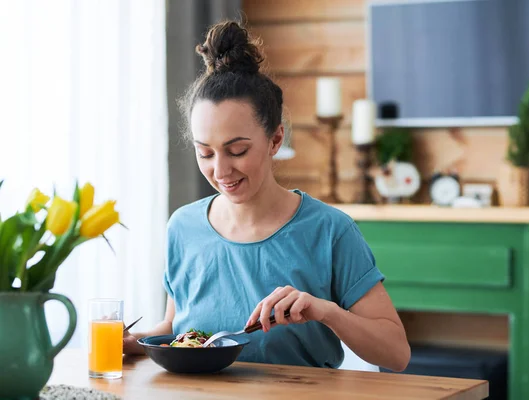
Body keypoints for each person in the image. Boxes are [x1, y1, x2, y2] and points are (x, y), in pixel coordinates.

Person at [123, 20, 410, 372]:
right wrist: (133, 343)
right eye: (206, 153)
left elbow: (397, 354)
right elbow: (175, 328)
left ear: (275, 140)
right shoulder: (183, 227)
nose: (221, 171)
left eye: (238, 150)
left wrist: (326, 311)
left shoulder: (330, 231)